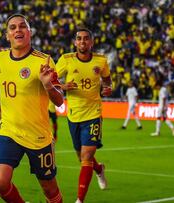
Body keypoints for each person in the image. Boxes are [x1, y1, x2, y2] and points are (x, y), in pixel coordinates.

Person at [0, 14, 64, 203]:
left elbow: (59, 101)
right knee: (0, 181)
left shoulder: (44, 61)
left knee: (50, 191)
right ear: (7, 35)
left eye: (22, 27)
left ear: (29, 32)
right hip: (9, 131)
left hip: (37, 136)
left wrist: (48, 85)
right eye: (13, 27)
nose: (18, 30)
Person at [56, 28, 111, 203]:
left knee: (86, 156)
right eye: (79, 39)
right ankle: (99, 169)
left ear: (91, 42)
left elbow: (107, 80)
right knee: (82, 157)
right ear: (75, 42)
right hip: (73, 115)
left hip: (93, 113)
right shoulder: (66, 60)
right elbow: (51, 81)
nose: (83, 42)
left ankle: (80, 200)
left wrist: (107, 88)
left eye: (86, 39)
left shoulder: (101, 61)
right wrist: (64, 87)